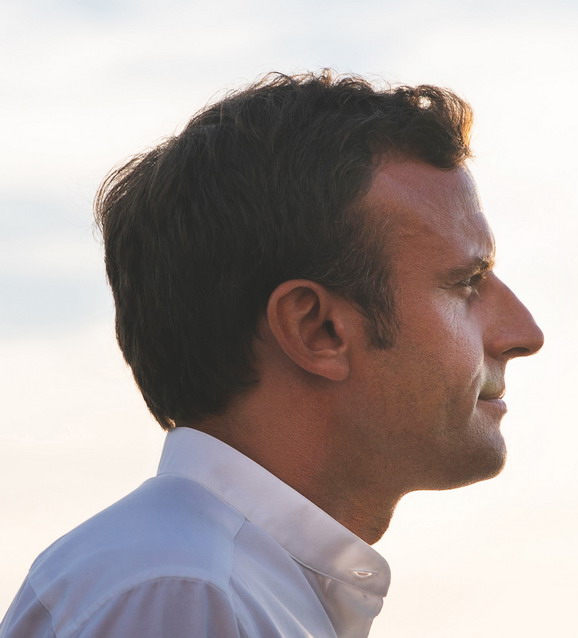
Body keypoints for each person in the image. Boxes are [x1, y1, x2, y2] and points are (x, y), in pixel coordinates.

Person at [0, 71, 543, 637]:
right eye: (466, 283)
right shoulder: (186, 591)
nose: (525, 333)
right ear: (316, 330)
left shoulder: (211, 582)